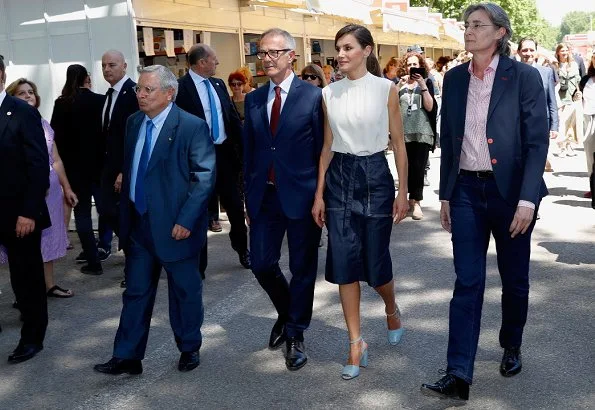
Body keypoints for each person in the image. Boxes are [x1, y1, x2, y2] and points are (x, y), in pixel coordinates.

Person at [421, 3, 549, 401]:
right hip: (466, 194)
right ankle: (458, 372)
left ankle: (511, 343)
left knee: (514, 281)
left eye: (477, 25)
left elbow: (535, 142)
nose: (469, 31)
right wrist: (445, 193)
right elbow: (449, 137)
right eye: (467, 25)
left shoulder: (524, 77)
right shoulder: (455, 79)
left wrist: (528, 199)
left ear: (500, 33)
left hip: (510, 194)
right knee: (468, 281)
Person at [94, 65, 215, 375]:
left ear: (169, 93)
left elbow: (203, 178)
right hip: (139, 225)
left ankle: (189, 347)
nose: (141, 95)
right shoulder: (134, 122)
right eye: (139, 89)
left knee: (184, 292)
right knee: (135, 292)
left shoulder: (191, 127)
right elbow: (134, 166)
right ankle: (127, 356)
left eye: (148, 89)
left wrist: (186, 220)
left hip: (177, 227)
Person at [311, 24, 408, 381]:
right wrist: (319, 193)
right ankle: (356, 343)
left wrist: (403, 192)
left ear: (367, 50)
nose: (341, 54)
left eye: (348, 47)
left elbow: (398, 144)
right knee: (343, 264)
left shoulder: (387, 89)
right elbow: (326, 146)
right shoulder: (328, 94)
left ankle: (391, 307)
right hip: (338, 177)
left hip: (375, 177)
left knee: (374, 261)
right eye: (338, 48)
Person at [243, 28, 323, 371]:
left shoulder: (315, 96)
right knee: (261, 263)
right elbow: (250, 152)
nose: (268, 59)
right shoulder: (253, 99)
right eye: (263, 53)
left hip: (304, 197)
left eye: (275, 53)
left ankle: (295, 334)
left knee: (302, 268)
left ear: (292, 55)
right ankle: (287, 311)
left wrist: (321, 195)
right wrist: (247, 195)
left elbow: (324, 151)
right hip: (265, 196)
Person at [176, 44, 251, 271]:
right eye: (214, 59)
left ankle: (242, 250)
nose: (217, 63)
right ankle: (199, 262)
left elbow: (231, 118)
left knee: (236, 207)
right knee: (198, 210)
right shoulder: (180, 88)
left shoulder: (217, 85)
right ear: (201, 63)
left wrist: (247, 147)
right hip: (197, 158)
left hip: (224, 155)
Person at [3, 78, 78, 298]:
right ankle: (25, 294)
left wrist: (67, 188)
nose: (28, 96)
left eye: (31, 92)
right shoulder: (8, 122)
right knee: (22, 247)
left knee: (49, 239)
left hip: (51, 192)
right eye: (21, 93)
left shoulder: (43, 123)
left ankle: (49, 285)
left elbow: (55, 160)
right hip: (25, 194)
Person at [0, 54, 50, 363]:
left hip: (18, 214)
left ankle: (32, 338)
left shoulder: (19, 112)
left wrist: (29, 212)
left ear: (2, 75)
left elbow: (38, 164)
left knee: (26, 278)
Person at [51, 64, 107, 275]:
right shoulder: (100, 100)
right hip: (100, 167)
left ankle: (93, 262)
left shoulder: (61, 103)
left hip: (74, 170)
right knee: (109, 212)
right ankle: (130, 258)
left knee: (82, 215)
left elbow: (56, 138)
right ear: (86, 78)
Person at [396, 52, 438, 220]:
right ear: (404, 66)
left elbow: (430, 107)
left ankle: (416, 202)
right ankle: (404, 200)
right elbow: (391, 106)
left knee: (418, 168)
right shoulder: (399, 85)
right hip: (403, 132)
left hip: (422, 131)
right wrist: (398, 86)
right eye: (409, 64)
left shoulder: (427, 82)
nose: (412, 67)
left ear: (420, 65)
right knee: (403, 167)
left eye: (415, 64)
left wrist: (423, 85)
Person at [517, 38, 559, 172]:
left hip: (541, 126)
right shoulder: (511, 72)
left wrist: (554, 126)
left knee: (536, 166)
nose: (528, 53)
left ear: (536, 52)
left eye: (531, 50)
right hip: (516, 126)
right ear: (518, 52)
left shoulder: (547, 72)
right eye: (524, 50)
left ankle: (533, 192)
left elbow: (551, 100)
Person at [555, 43, 582, 157]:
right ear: (558, 52)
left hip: (571, 97)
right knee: (561, 122)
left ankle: (568, 145)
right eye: (562, 51)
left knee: (571, 122)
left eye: (566, 50)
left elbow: (577, 80)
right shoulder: (555, 66)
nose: (564, 53)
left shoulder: (574, 65)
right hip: (559, 98)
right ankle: (562, 147)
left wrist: (579, 92)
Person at [579, 50, 595, 198]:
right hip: (588, 119)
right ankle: (593, 186)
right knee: (590, 155)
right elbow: (578, 96)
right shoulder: (586, 80)